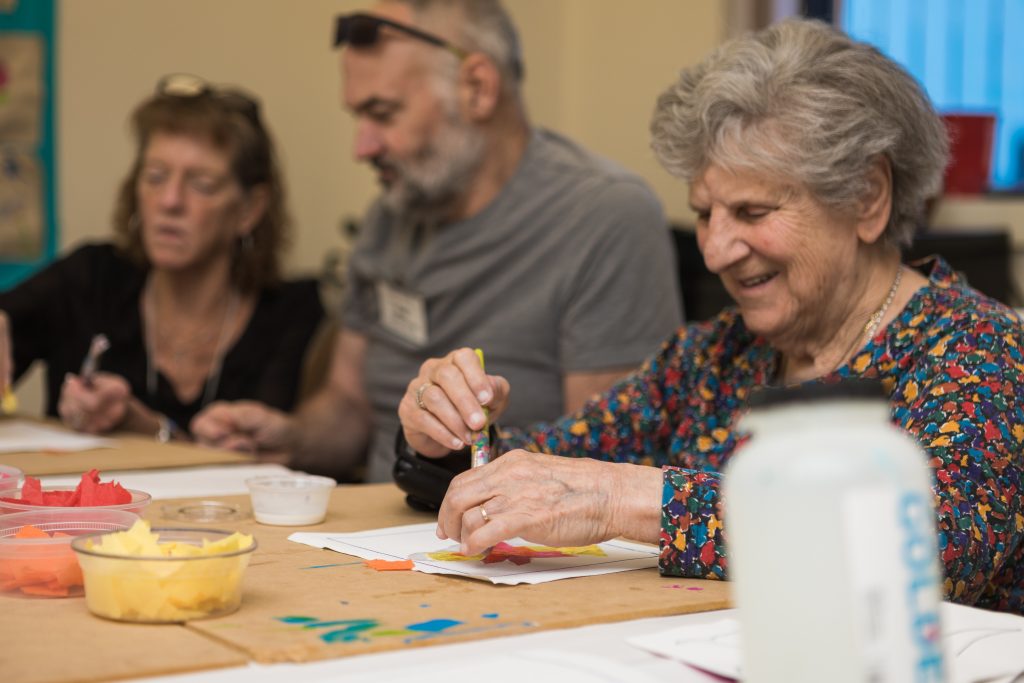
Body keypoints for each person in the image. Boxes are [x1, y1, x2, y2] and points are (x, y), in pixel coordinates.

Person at [398, 19, 1024, 615]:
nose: (715, 250)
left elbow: (930, 544)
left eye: (752, 213)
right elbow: (546, 472)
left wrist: (622, 500)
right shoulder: (709, 357)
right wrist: (454, 438)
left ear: (867, 197)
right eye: (704, 214)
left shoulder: (980, 349)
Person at [191, 0, 682, 482]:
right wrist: (290, 440)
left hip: (502, 547)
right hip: (371, 530)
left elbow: (609, 467)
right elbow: (349, 406)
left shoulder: (603, 217)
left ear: (477, 88)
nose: (361, 146)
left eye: (382, 113)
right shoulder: (392, 214)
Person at [0, 74, 325, 439]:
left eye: (202, 184)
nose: (170, 201)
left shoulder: (291, 312)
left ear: (249, 208)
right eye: (155, 177)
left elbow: (259, 457)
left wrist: (148, 428)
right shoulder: (90, 277)